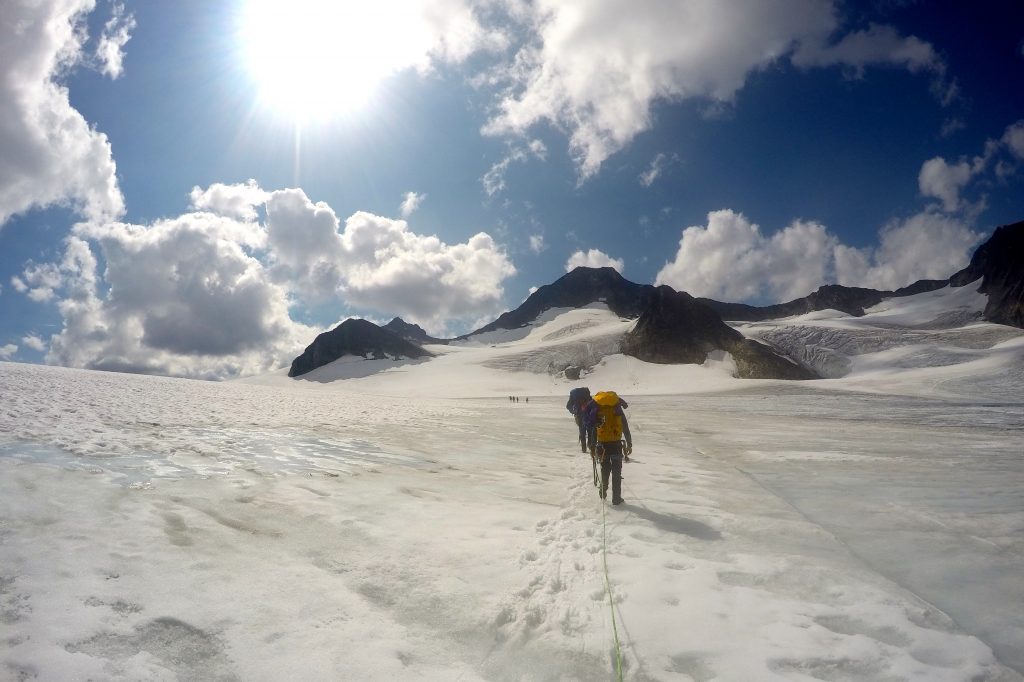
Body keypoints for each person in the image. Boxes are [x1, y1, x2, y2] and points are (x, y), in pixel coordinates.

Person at [584, 391, 632, 505]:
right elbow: (625, 427)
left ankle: (602, 492)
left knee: (605, 470)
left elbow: (593, 431)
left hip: (602, 447)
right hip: (616, 446)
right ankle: (616, 498)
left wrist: (591, 446)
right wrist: (629, 443)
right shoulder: (617, 409)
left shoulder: (597, 411)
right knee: (616, 473)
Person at [565, 387, 592, 452]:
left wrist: (574, 412)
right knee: (590, 431)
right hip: (589, 416)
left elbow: (568, 406)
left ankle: (584, 449)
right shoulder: (588, 396)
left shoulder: (574, 397)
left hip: (579, 416)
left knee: (582, 432)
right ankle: (590, 446)